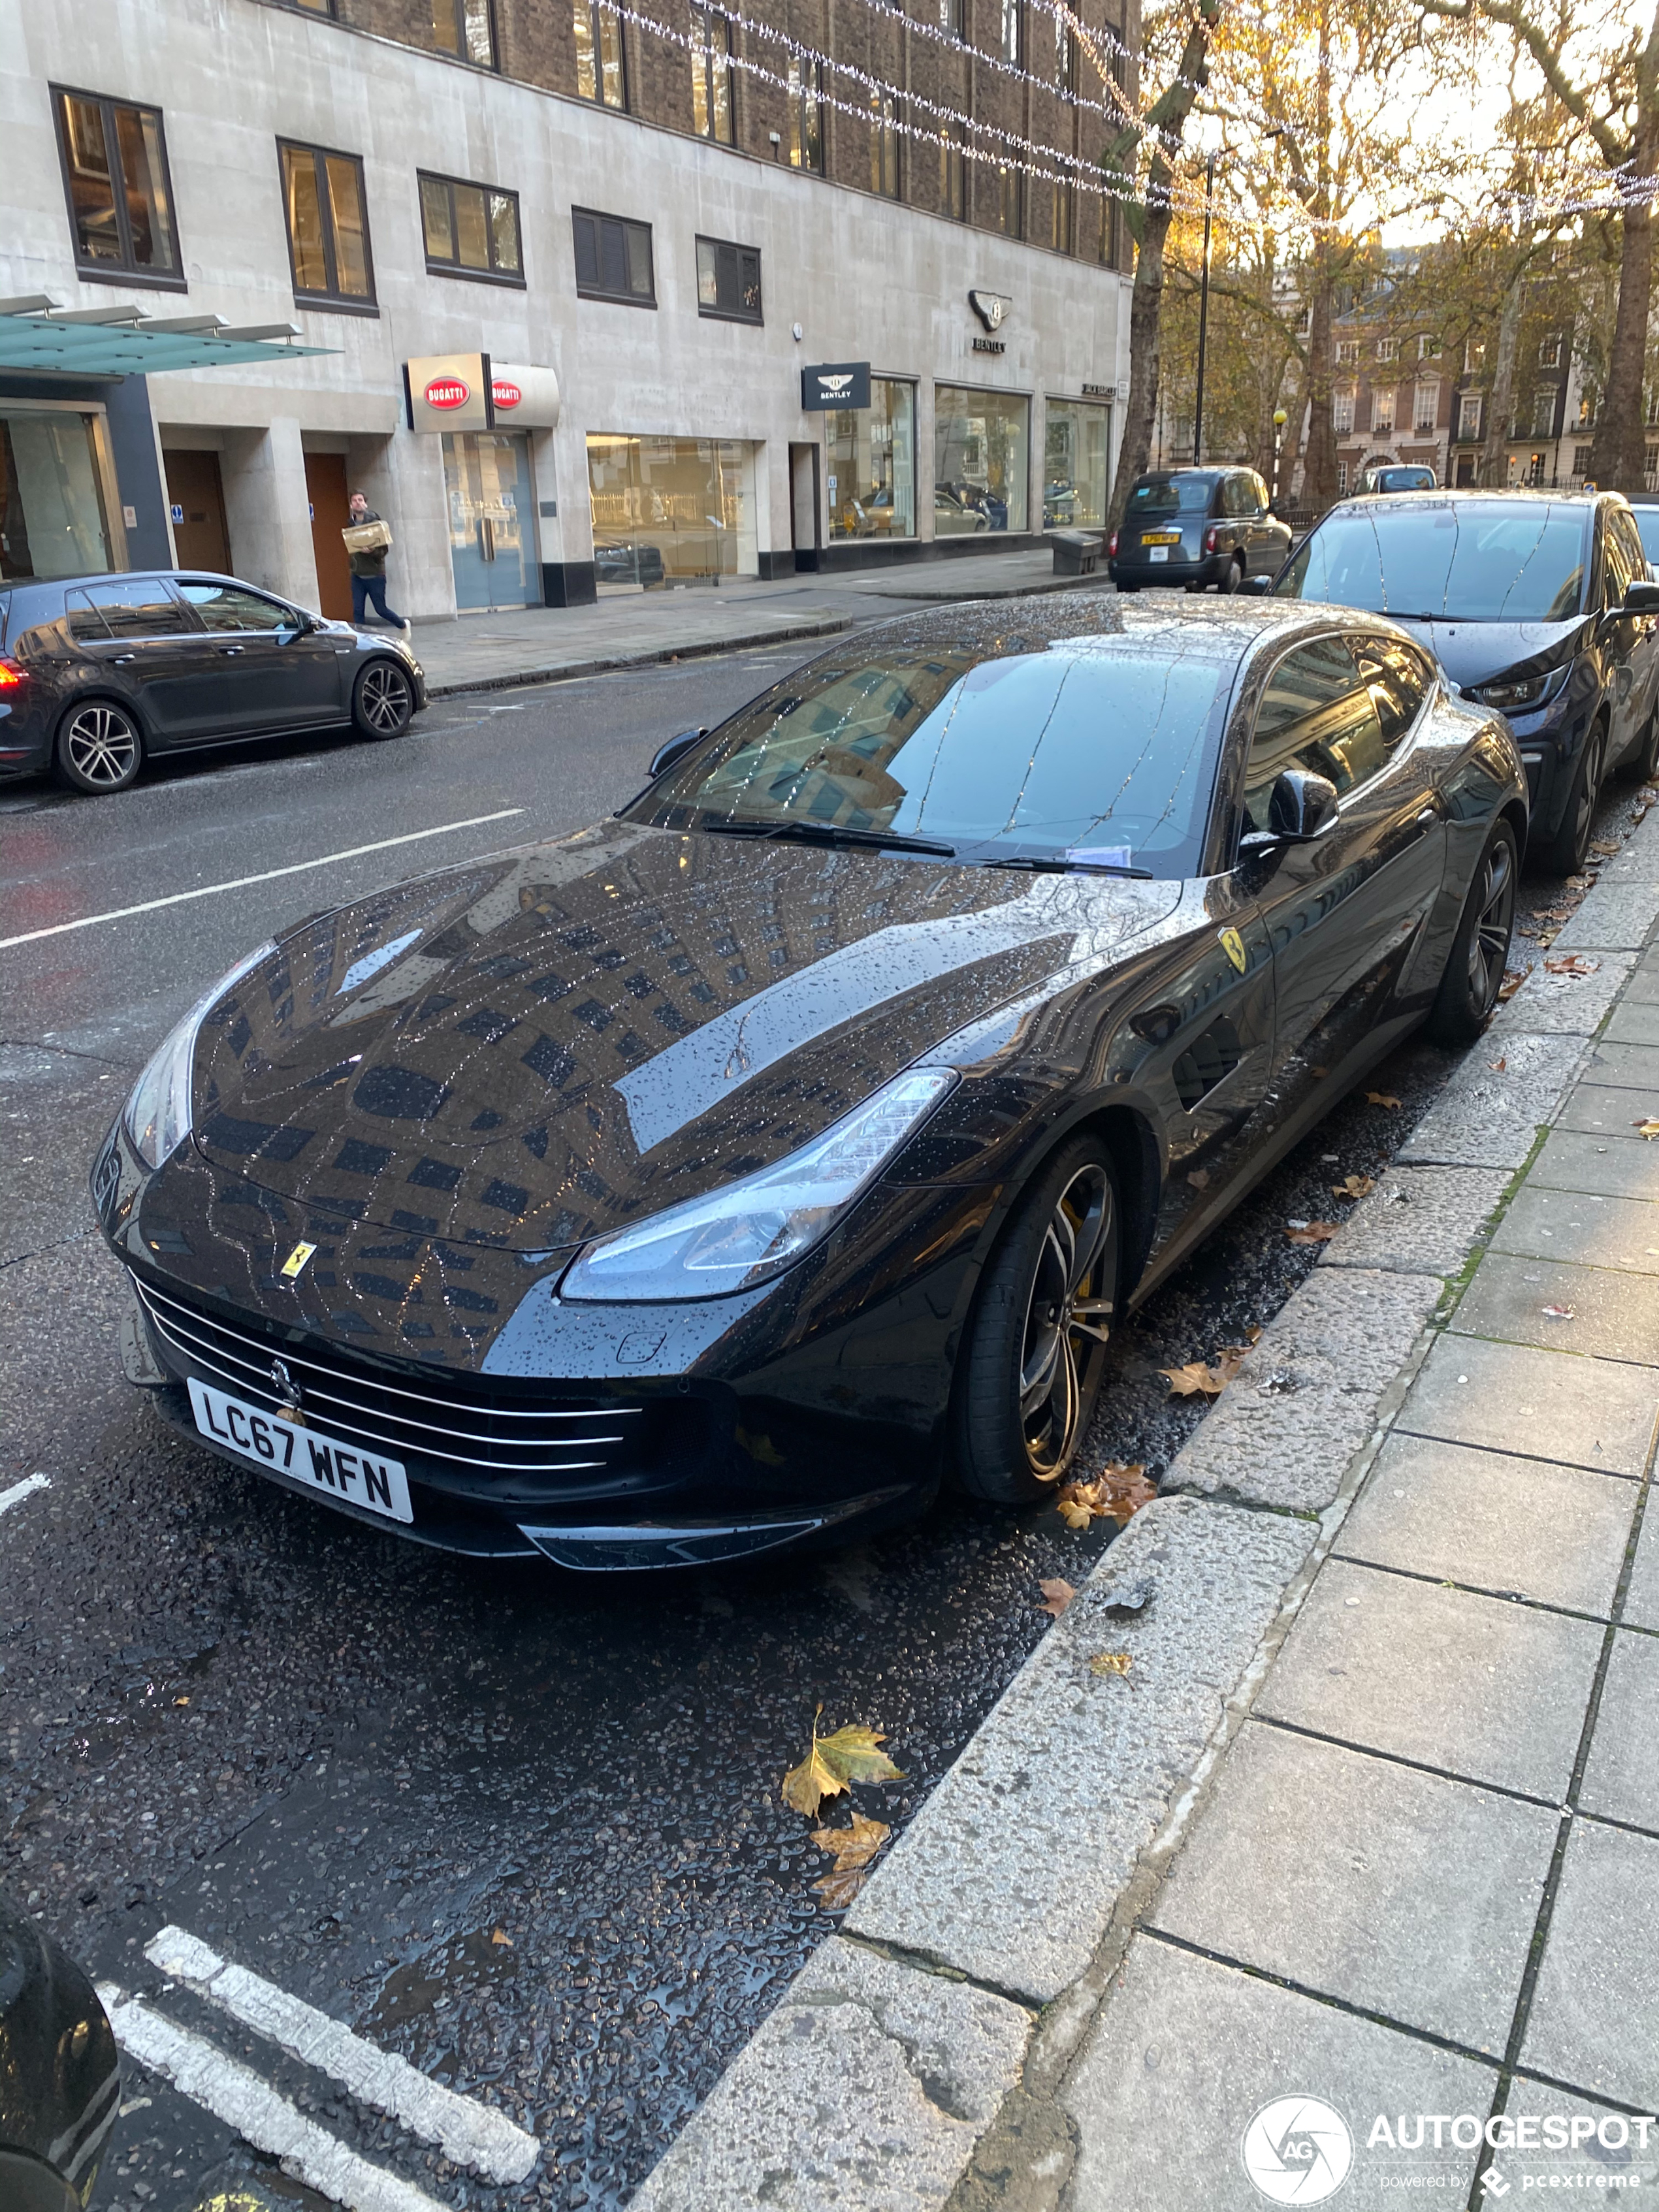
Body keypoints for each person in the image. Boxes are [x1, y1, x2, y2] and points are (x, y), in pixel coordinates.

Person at [345, 492, 411, 631]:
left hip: (375, 575)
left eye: (360, 500)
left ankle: (403, 625)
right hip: (357, 575)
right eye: (355, 501)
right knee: (358, 611)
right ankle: (361, 637)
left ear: (365, 503)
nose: (358, 502)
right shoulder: (351, 524)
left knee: (380, 609)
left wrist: (372, 552)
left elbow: (384, 549)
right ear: (351, 505)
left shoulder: (375, 523)